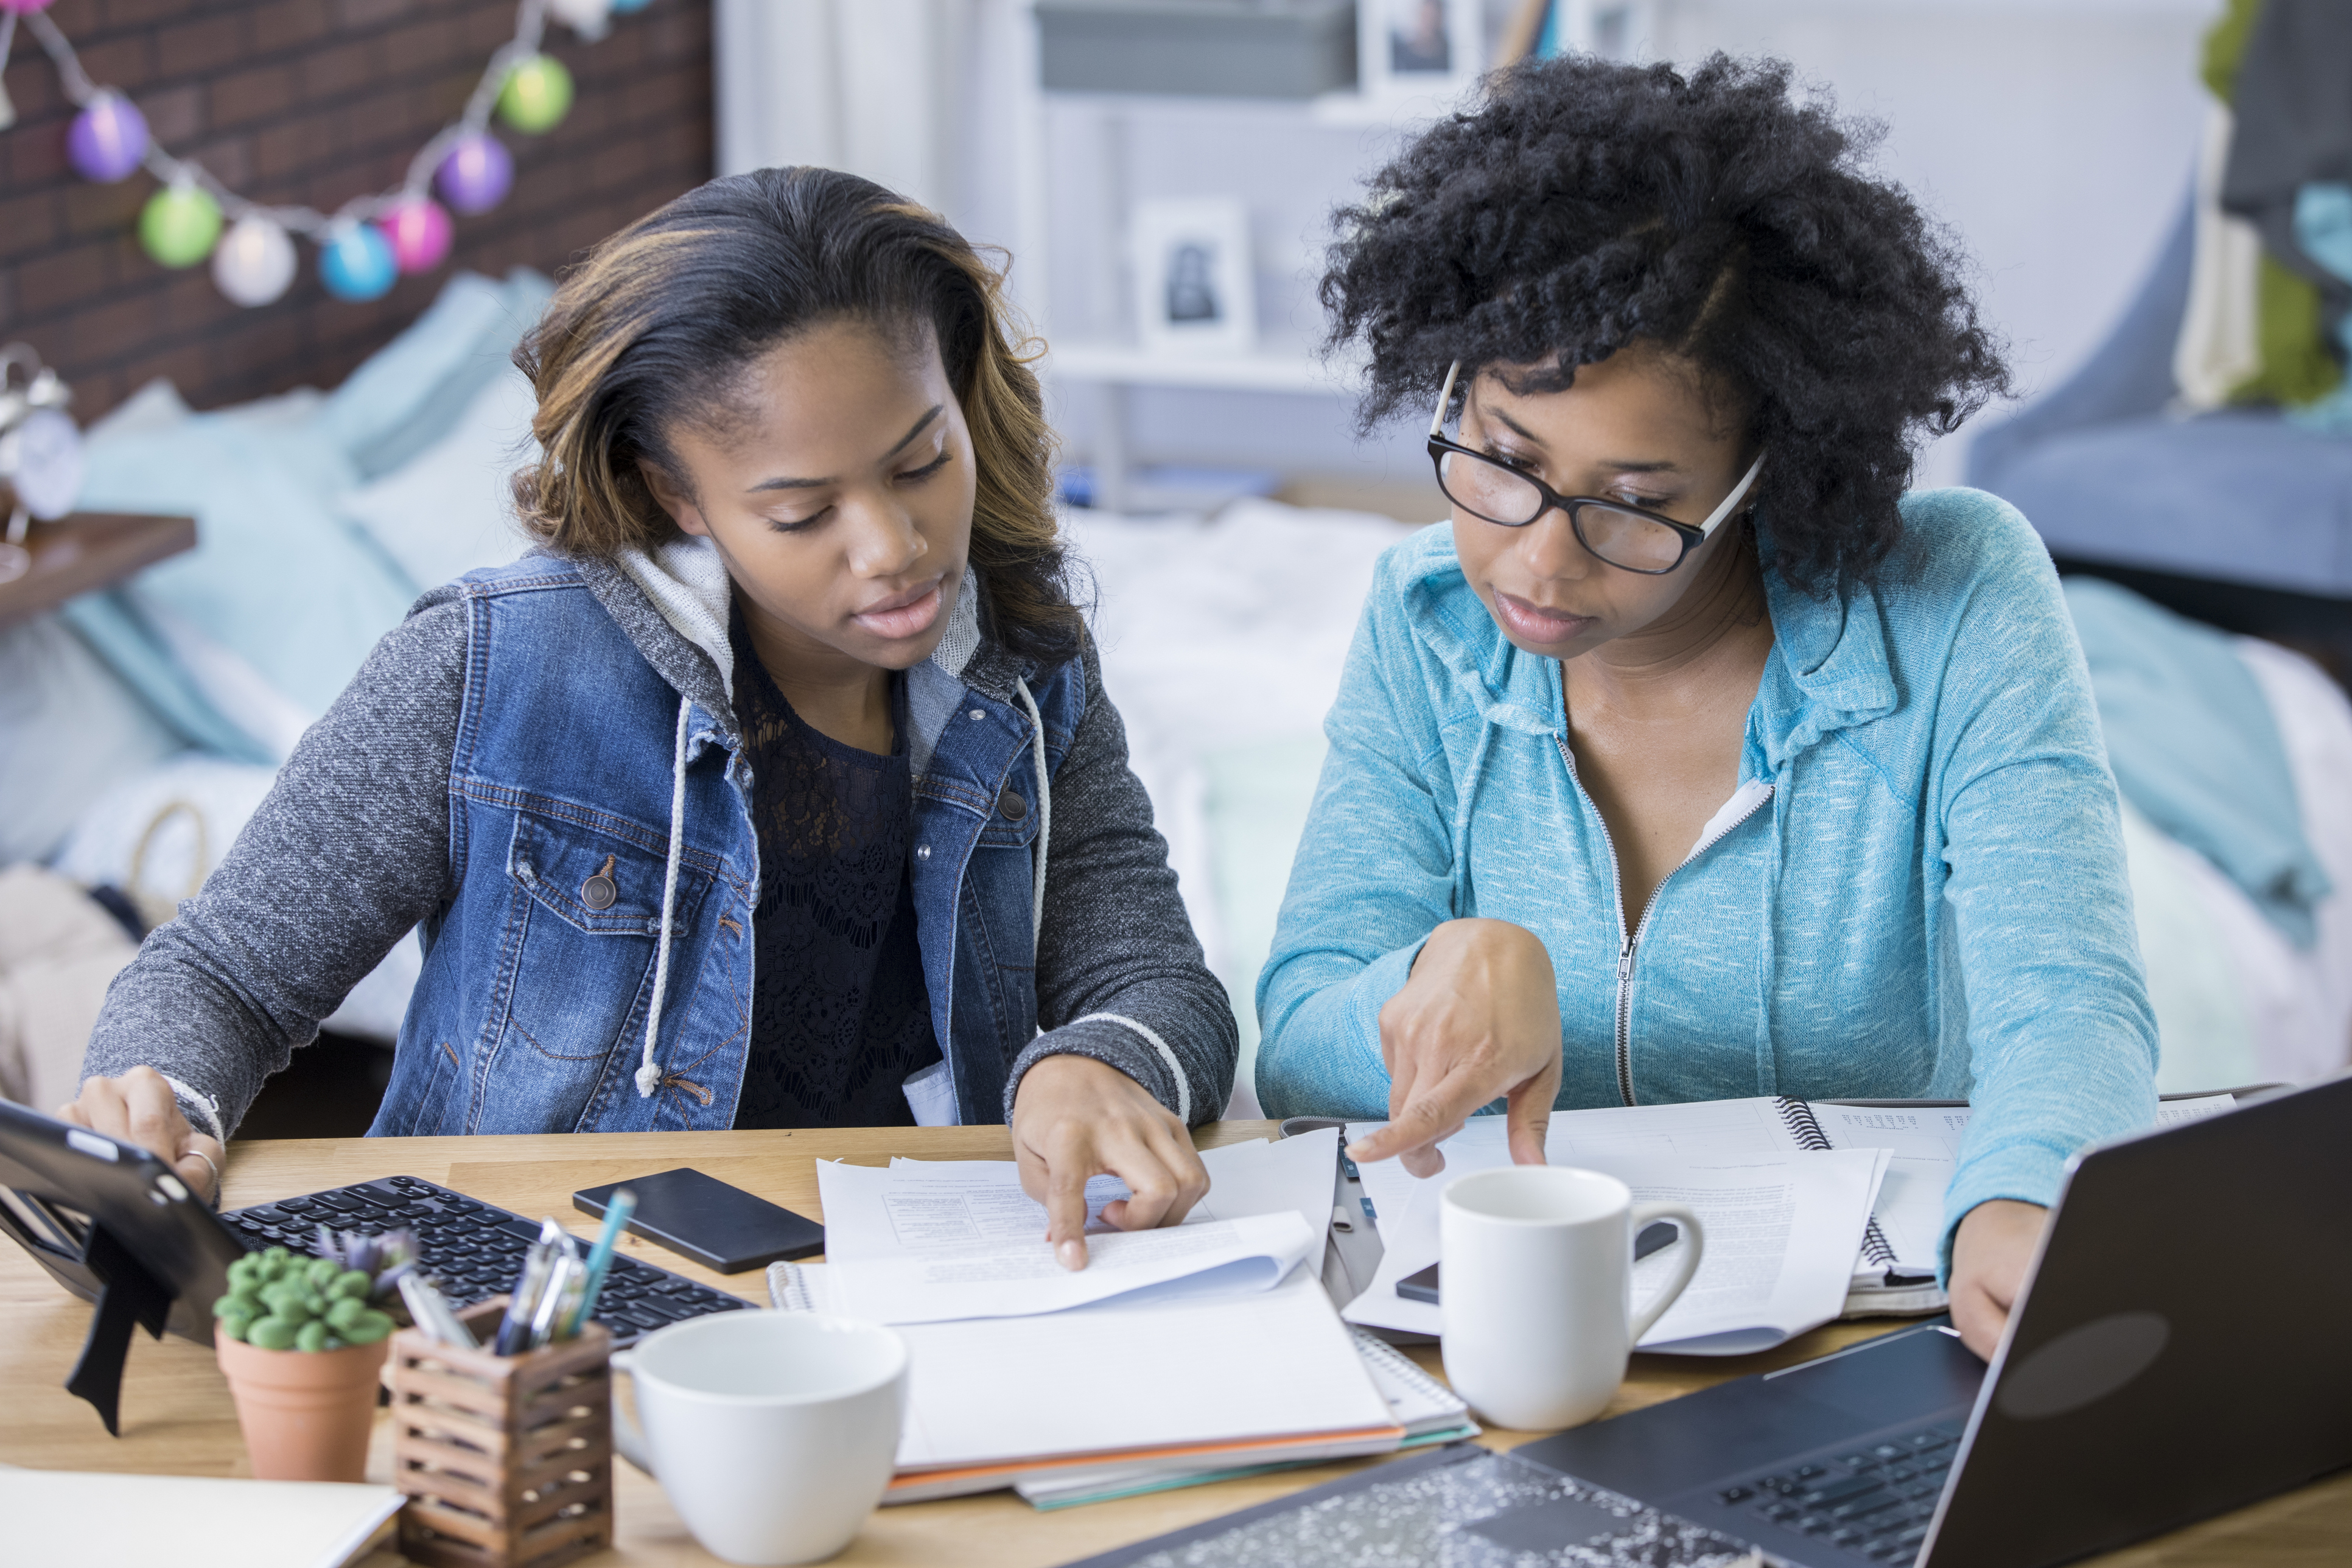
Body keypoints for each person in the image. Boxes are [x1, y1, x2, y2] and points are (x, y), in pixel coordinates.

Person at [65, 168, 1234, 1268]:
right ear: (674, 493)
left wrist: (1099, 1060)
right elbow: (222, 975)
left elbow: (1161, 981)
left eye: (923, 460)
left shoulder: (1026, 672)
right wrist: (162, 1096)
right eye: (802, 511)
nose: (894, 548)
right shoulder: (492, 666)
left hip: (930, 1282)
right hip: (541, 1311)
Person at [1256, 55, 2158, 1357]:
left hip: (1878, 1328)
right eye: (1504, 464)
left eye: (1630, 503)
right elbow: (1295, 1037)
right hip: (1521, 1325)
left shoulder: (1961, 595)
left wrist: (2021, 1198)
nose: (1536, 561)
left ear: (1767, 472)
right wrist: (1418, 987)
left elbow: (2069, 999)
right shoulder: (1422, 619)